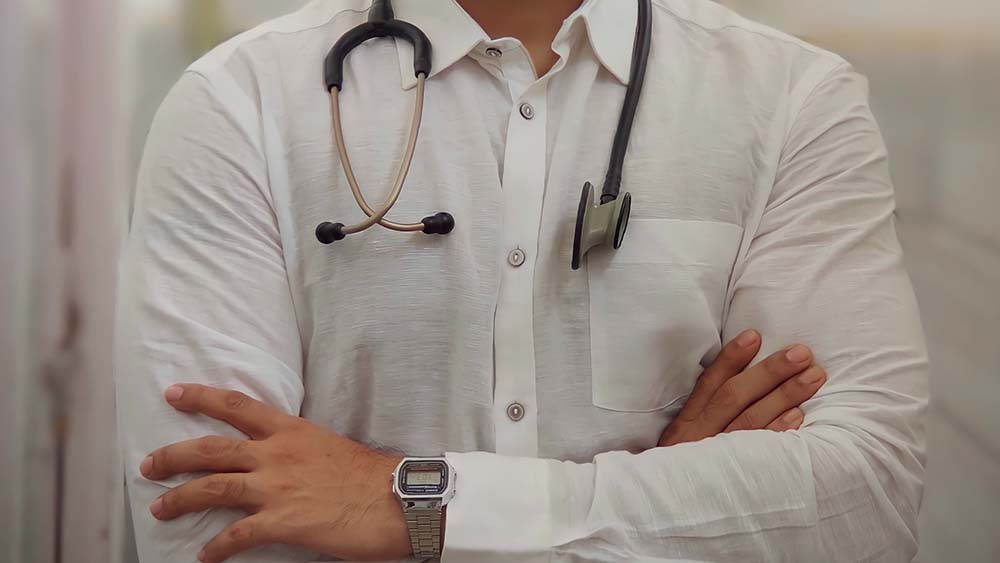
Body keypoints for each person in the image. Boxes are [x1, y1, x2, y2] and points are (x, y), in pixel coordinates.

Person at [114, 0, 929, 561]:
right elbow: (205, 526)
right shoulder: (237, 107)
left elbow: (868, 500)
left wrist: (406, 505)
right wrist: (681, 501)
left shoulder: (793, 105)